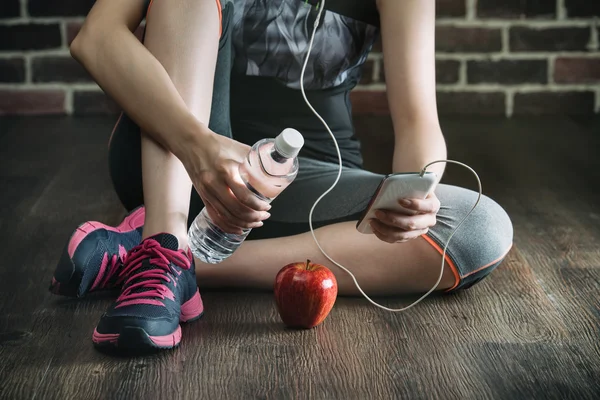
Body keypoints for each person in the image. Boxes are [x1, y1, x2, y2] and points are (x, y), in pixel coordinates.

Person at [49, 0, 513, 351]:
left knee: (478, 226)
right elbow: (96, 38)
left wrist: (416, 196)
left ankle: (167, 261)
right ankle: (165, 237)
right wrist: (198, 146)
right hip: (175, 158)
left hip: (304, 182)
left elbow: (418, 122)